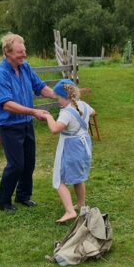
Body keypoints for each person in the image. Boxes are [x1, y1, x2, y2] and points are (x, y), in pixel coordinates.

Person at [0, 33, 56, 211]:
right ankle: (2, 200)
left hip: (26, 122)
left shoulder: (25, 67)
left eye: (24, 50)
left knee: (29, 162)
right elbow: (6, 104)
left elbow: (40, 87)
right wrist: (33, 111)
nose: (24, 55)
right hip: (9, 125)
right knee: (16, 165)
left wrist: (61, 95)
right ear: (7, 52)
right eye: (20, 52)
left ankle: (23, 196)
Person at [44, 79, 95, 224]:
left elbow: (54, 129)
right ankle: (81, 204)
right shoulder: (83, 105)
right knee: (79, 177)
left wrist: (48, 117)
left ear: (65, 96)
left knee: (58, 180)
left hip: (70, 149)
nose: (58, 101)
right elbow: (93, 112)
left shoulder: (66, 112)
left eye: (58, 98)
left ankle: (69, 211)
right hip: (83, 148)